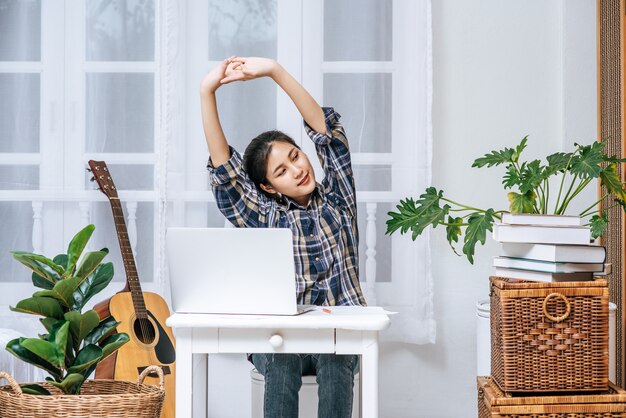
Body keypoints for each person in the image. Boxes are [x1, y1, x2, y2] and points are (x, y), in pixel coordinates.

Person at [200, 56, 365, 418]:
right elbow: (225, 174)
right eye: (282, 171)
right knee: (282, 356)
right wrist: (207, 91)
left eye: (296, 156)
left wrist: (275, 70)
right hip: (279, 338)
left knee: (336, 360)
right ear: (268, 187)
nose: (298, 170)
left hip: (338, 333)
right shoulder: (264, 217)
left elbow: (329, 135)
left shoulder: (339, 201)